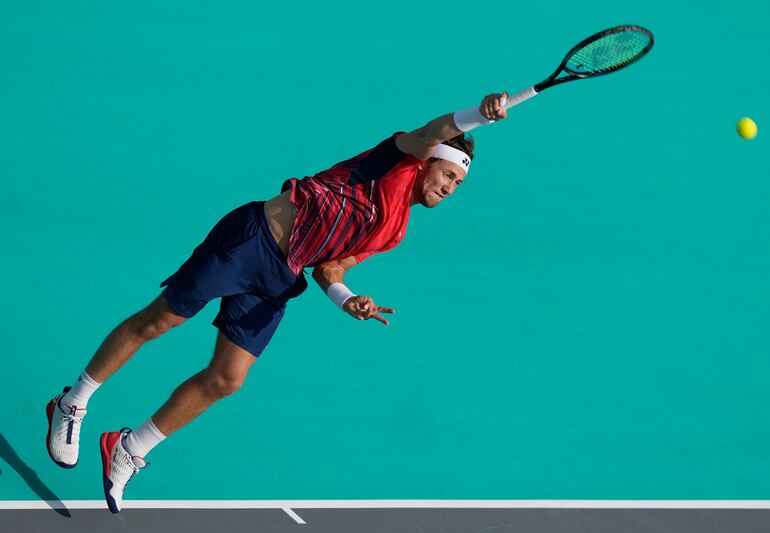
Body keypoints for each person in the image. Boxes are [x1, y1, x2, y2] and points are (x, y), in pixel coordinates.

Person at [45, 91, 509, 513]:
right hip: (252, 239)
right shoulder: (396, 159)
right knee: (160, 321)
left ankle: (130, 447)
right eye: (448, 174)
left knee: (227, 379)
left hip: (280, 276)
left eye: (457, 185)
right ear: (429, 162)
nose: (450, 188)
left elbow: (330, 268)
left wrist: (348, 301)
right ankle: (73, 402)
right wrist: (478, 117)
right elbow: (436, 131)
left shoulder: (395, 232)